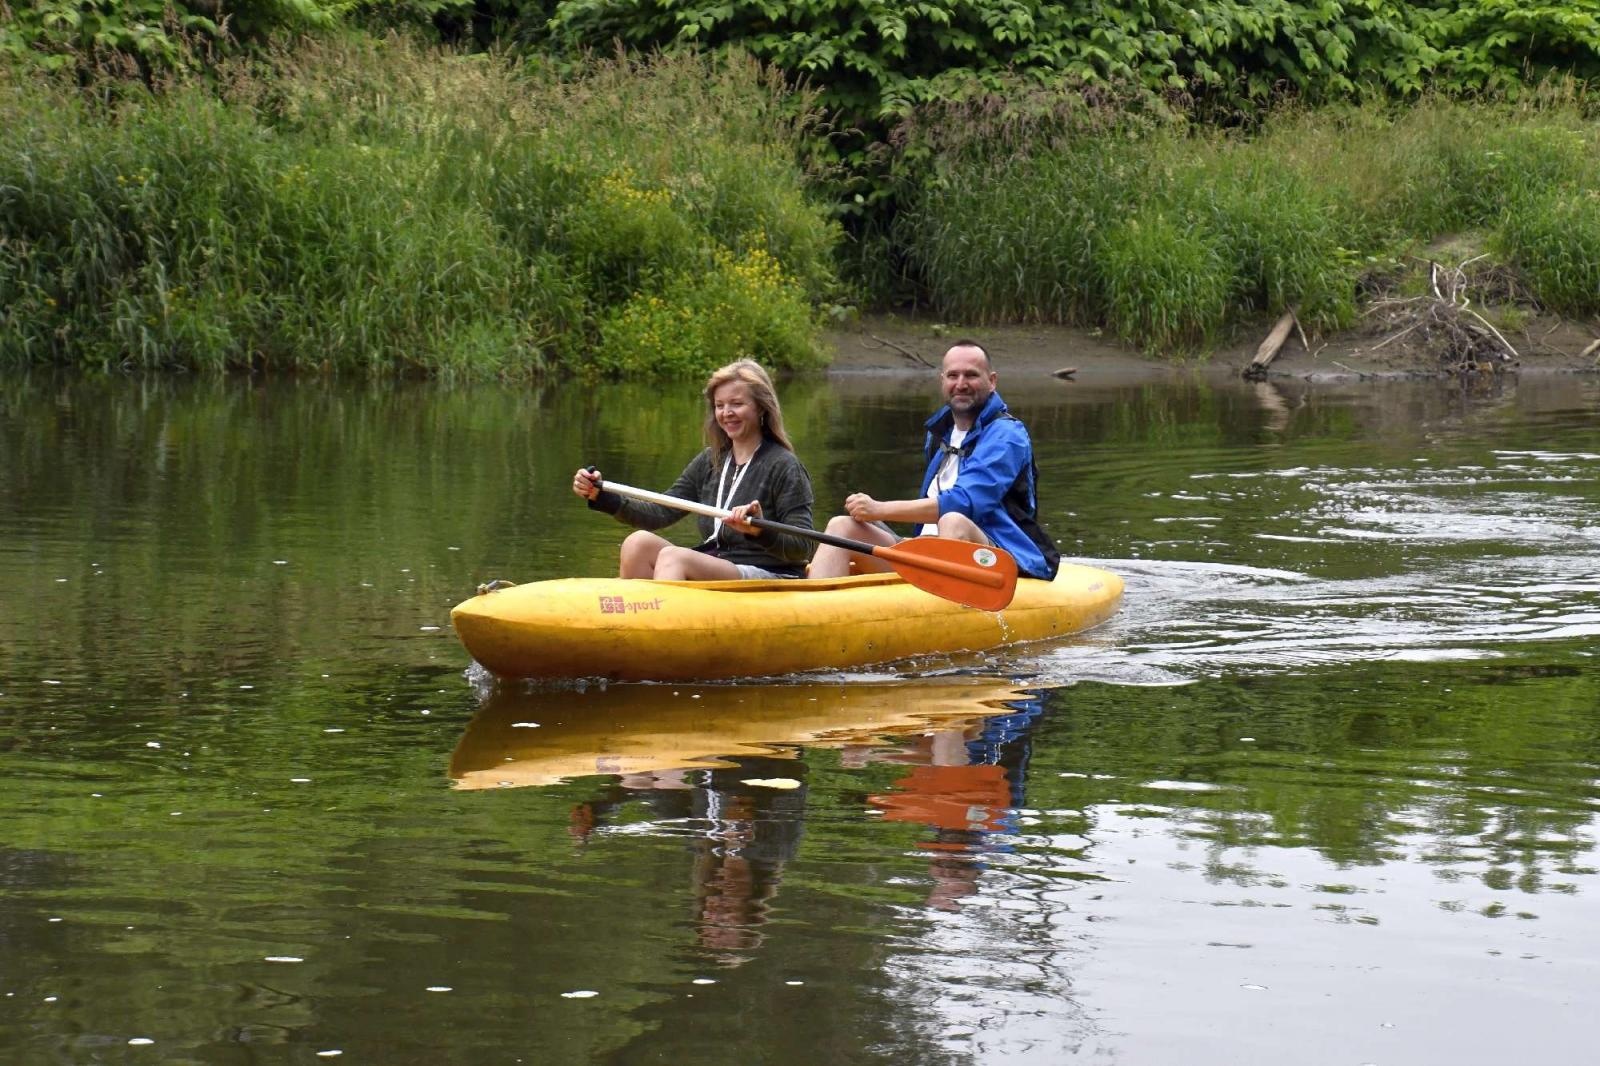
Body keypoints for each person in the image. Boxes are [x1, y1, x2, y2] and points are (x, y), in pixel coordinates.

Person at [808, 340, 1060, 581]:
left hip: (998, 555)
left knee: (953, 520)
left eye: (971, 375)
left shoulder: (1007, 435)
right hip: (928, 552)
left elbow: (963, 503)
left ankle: (939, 595)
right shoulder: (940, 433)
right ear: (942, 381)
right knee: (841, 527)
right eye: (953, 375)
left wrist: (880, 509)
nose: (960, 384)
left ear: (992, 381)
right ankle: (814, 605)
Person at [573, 359, 815, 580]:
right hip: (718, 562)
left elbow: (803, 547)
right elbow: (660, 512)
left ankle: (663, 612)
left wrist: (759, 530)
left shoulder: (785, 466)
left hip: (768, 572)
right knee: (637, 544)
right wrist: (601, 496)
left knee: (673, 558)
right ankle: (639, 613)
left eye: (737, 404)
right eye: (719, 405)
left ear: (761, 408)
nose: (726, 413)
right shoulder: (710, 461)